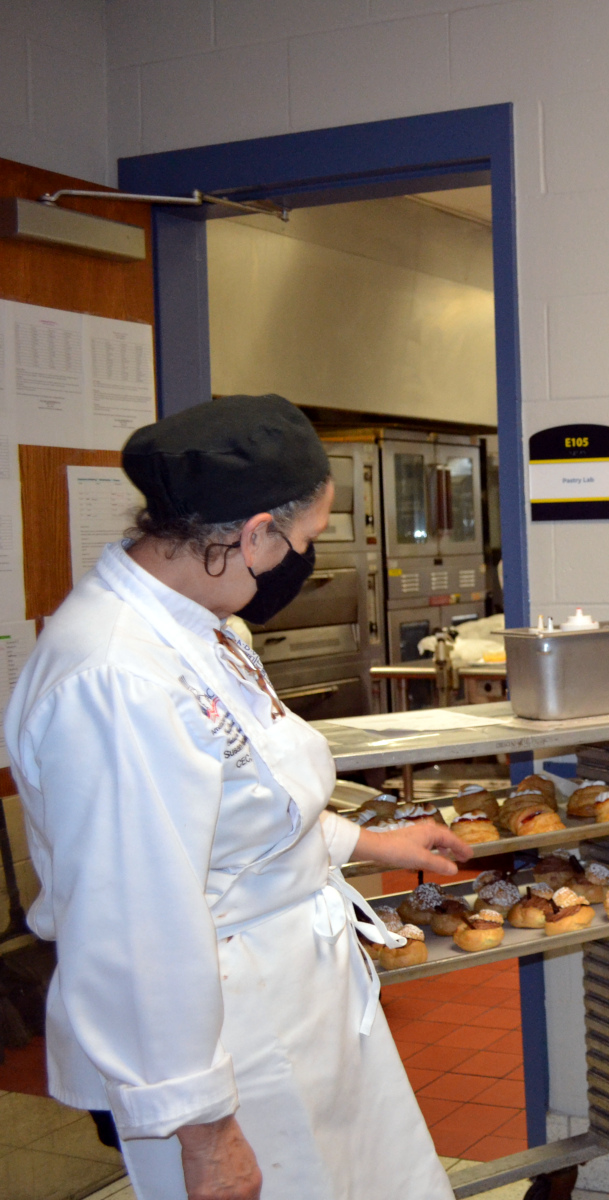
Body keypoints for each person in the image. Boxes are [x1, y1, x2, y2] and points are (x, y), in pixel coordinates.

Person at [5, 394, 474, 1199]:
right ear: (254, 533)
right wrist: (207, 1131)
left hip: (295, 994)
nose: (302, 561)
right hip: (227, 1035)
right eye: (304, 542)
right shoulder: (117, 677)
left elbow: (242, 805)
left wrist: (365, 843)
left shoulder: (202, 626)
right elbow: (137, 925)